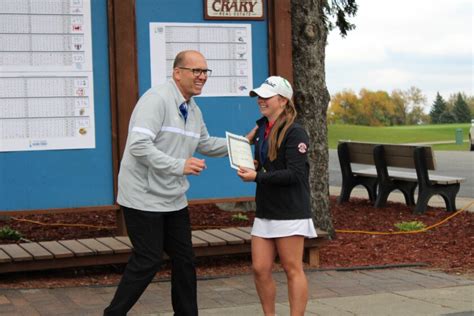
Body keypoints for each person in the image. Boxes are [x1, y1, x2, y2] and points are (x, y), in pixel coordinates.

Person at [104, 50, 229, 316]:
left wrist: (240, 144)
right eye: (196, 71)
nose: (202, 77)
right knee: (148, 259)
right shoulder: (156, 100)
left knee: (185, 260)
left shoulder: (193, 109)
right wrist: (179, 165)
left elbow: (204, 143)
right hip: (142, 196)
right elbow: (138, 146)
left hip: (173, 198)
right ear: (177, 73)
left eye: (205, 71)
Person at [237, 76, 317, 316]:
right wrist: (253, 164)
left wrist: (256, 177)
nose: (261, 100)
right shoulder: (262, 127)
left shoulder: (296, 132)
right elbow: (267, 163)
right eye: (259, 96)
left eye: (266, 96)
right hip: (267, 209)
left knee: (292, 268)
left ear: (282, 101)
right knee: (259, 268)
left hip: (290, 210)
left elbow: (294, 174)